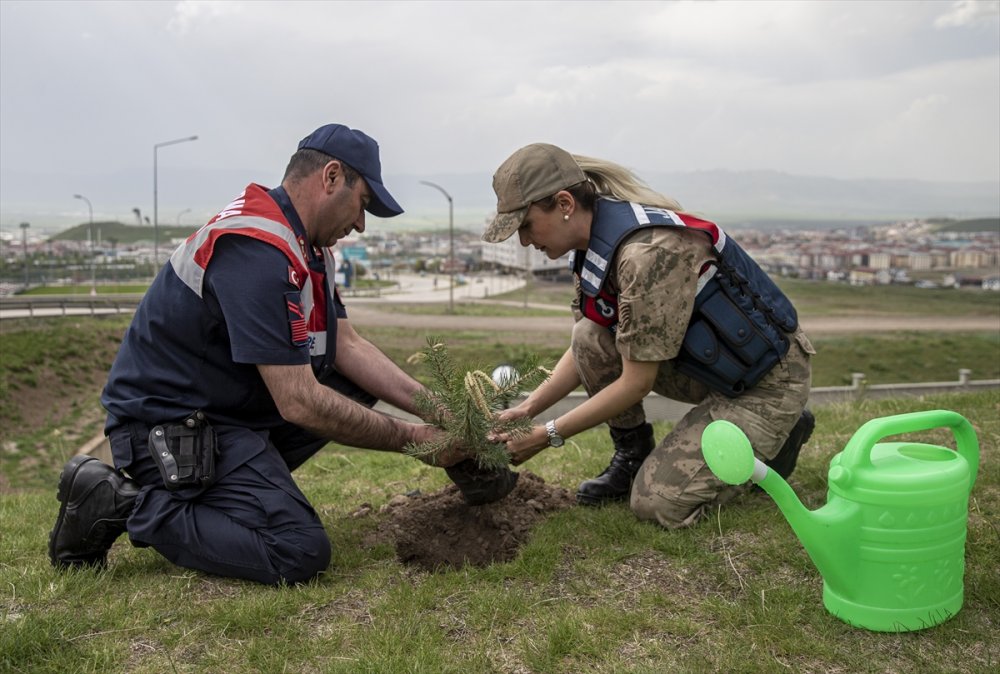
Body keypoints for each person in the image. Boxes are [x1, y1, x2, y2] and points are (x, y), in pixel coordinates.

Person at [48, 124, 516, 585]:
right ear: (331, 177)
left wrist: (447, 413)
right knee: (296, 550)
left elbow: (347, 347)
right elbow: (298, 402)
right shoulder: (256, 249)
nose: (360, 223)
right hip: (167, 429)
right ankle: (122, 502)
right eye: (363, 205)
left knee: (348, 380)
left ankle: (236, 487)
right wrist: (420, 441)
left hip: (225, 411)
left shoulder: (308, 247)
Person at [484, 143, 814, 529]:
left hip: (766, 384)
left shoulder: (647, 254)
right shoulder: (590, 248)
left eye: (525, 225)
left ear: (564, 204)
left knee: (655, 504)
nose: (524, 241)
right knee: (588, 336)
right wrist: (526, 410)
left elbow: (636, 383)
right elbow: (585, 349)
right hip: (710, 368)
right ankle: (633, 456)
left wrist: (548, 434)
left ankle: (774, 445)